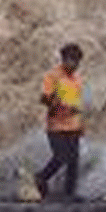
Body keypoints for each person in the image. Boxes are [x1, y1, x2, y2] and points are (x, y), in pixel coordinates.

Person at [33, 43, 84, 200]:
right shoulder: (52, 76)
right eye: (70, 60)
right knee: (60, 157)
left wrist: (81, 124)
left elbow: (77, 103)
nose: (73, 64)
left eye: (76, 61)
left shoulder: (77, 79)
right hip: (56, 125)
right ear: (63, 59)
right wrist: (57, 105)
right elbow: (44, 98)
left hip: (74, 125)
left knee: (74, 162)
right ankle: (40, 177)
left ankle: (70, 194)